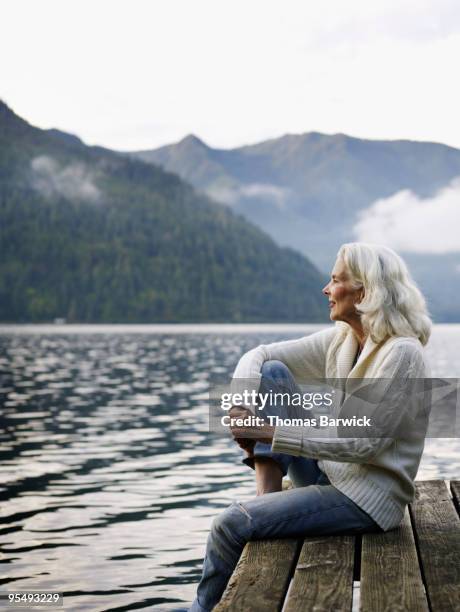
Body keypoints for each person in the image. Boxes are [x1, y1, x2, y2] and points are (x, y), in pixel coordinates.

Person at [190, 242, 431, 612]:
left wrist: (267, 433)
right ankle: (267, 497)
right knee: (271, 373)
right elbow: (261, 355)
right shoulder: (345, 340)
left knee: (229, 525)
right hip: (327, 473)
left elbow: (363, 446)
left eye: (335, 280)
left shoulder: (401, 354)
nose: (325, 289)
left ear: (364, 292)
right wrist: (241, 404)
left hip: (366, 501)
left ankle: (200, 610)